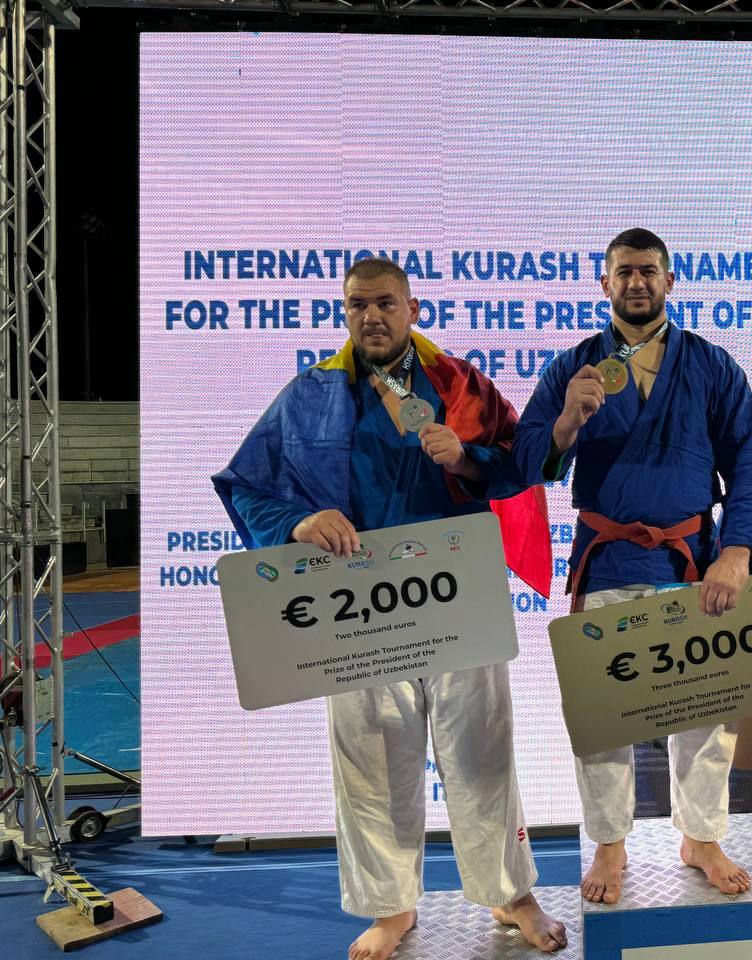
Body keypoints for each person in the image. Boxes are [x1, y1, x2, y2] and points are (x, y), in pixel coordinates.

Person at [212, 258, 566, 960]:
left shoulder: (460, 384)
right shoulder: (310, 394)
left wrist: (465, 459)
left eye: (384, 303)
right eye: (357, 305)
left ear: (412, 309)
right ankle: (391, 906)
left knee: (482, 749)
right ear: (344, 311)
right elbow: (247, 484)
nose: (370, 316)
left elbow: (521, 465)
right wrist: (298, 522)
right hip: (357, 605)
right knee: (371, 757)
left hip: (457, 595)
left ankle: (508, 891)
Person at [513, 228, 752, 905]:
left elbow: (749, 461)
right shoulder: (576, 367)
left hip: (691, 565)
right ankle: (609, 842)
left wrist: (737, 552)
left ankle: (701, 837)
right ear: (605, 284)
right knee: (604, 719)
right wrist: (566, 424)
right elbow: (527, 461)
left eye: (649, 271)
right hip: (608, 562)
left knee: (707, 716)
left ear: (669, 281)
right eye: (624, 271)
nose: (637, 282)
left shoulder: (712, 367)